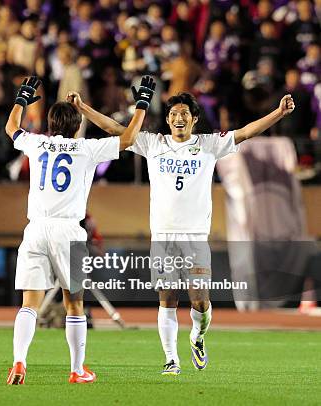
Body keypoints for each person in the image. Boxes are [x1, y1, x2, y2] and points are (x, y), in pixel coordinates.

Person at [71, 91, 295, 375]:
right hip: (163, 235)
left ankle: (197, 337)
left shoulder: (208, 145)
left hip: (195, 236)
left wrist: (278, 113)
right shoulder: (154, 143)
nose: (179, 119)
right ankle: (170, 359)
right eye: (174, 115)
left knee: (200, 301)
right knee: (168, 298)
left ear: (194, 120)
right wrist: (83, 107)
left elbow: (246, 132)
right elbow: (115, 129)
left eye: (184, 115)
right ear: (167, 119)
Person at [4, 75, 155, 384]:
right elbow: (127, 138)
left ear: (50, 125)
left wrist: (21, 98)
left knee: (28, 304)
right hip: (68, 232)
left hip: (35, 229)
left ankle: (19, 362)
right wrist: (141, 105)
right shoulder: (85, 149)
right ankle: (77, 370)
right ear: (76, 126)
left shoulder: (36, 142)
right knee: (75, 303)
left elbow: (11, 129)